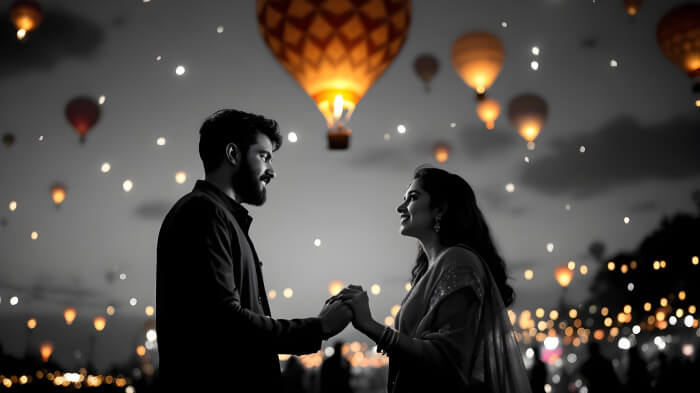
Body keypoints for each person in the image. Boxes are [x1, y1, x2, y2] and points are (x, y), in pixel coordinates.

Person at [156, 109, 352, 392]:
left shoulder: (221, 218)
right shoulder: (203, 213)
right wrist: (317, 328)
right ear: (233, 154)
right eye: (264, 156)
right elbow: (228, 323)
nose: (272, 170)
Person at [331, 166, 532, 393]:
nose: (400, 208)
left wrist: (370, 325)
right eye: (403, 199)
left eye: (413, 198)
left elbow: (448, 361)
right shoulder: (435, 268)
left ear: (440, 208)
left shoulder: (458, 262)